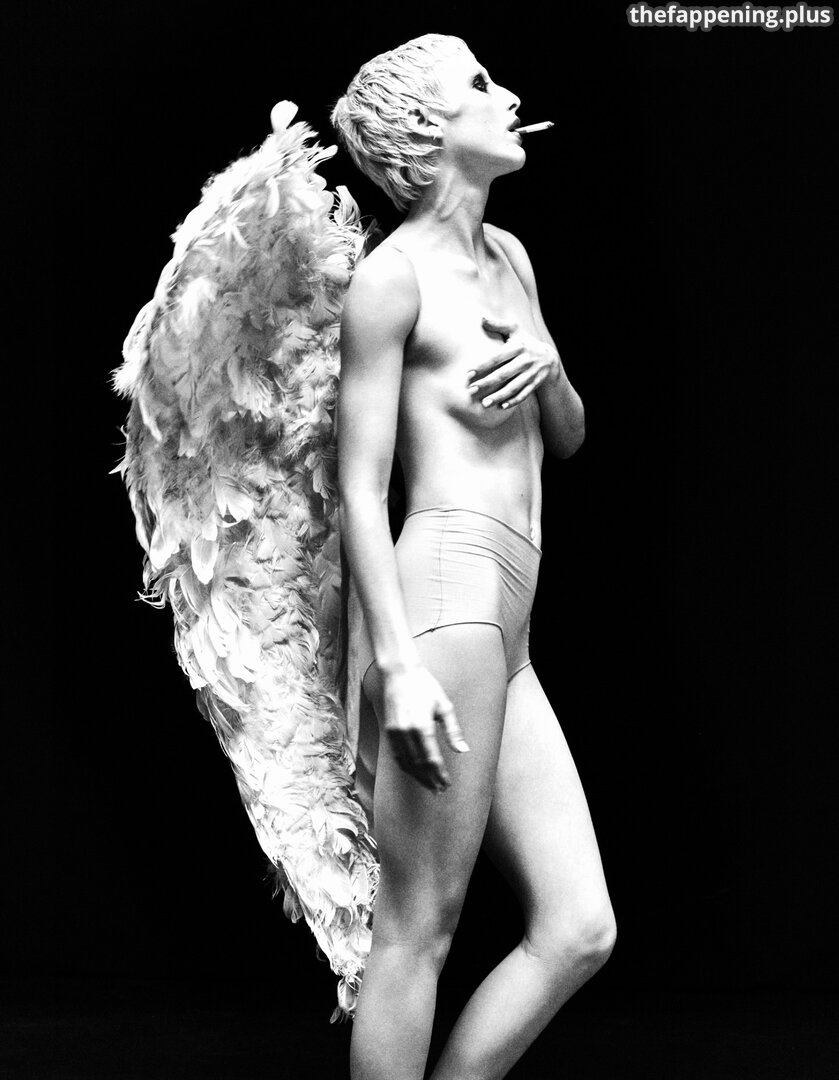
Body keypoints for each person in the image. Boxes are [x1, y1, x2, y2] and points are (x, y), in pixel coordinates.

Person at [331, 33, 617, 1080]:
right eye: (482, 83)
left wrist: (551, 370)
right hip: (444, 594)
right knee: (417, 931)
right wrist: (394, 664)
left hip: (510, 611)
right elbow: (359, 488)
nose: (508, 95)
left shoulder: (510, 259)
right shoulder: (390, 279)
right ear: (426, 127)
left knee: (578, 927)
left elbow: (566, 437)